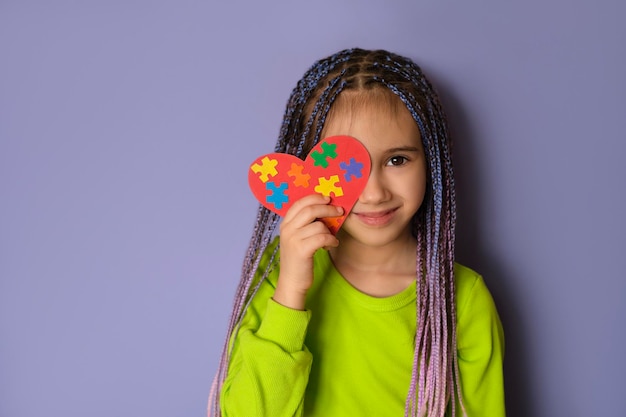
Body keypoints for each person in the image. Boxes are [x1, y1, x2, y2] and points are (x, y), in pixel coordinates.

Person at [208, 48, 505, 417]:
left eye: (397, 160)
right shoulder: (277, 272)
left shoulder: (462, 299)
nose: (374, 193)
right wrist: (291, 293)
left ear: (430, 161)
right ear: (305, 172)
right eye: (348, 167)